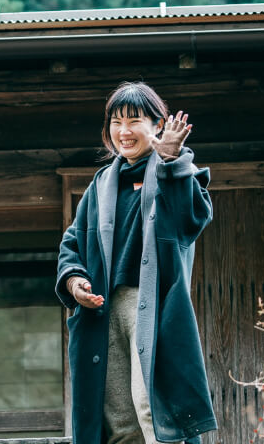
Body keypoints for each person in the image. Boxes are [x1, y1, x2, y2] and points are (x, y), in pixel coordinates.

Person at [56, 82, 216, 444]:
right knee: (117, 419)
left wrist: (172, 162)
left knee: (153, 411)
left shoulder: (176, 172)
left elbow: (191, 219)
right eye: (116, 122)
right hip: (103, 310)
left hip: (152, 307)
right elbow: (72, 243)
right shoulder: (101, 185)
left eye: (134, 121)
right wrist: (75, 282)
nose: (124, 131)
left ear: (158, 125)